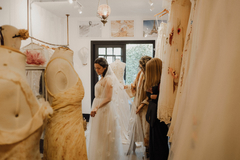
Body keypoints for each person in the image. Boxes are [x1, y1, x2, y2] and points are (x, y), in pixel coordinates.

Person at [88, 57, 124, 160]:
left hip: (104, 109)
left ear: (104, 68)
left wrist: (96, 107)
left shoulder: (108, 79)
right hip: (98, 108)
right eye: (95, 68)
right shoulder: (102, 78)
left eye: (99, 68)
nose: (97, 70)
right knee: (98, 134)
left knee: (104, 135)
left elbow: (109, 98)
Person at [124, 56, 152, 157]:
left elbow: (150, 95)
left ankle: (147, 150)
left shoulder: (150, 77)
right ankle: (132, 146)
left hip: (145, 106)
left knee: (146, 128)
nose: (140, 69)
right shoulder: (140, 74)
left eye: (142, 67)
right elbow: (134, 86)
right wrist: (127, 87)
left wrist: (142, 105)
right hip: (137, 103)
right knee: (135, 125)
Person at [145, 58, 169, 160]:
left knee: (159, 142)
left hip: (159, 116)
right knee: (155, 142)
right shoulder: (158, 84)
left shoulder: (162, 84)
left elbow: (164, 98)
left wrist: (153, 96)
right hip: (155, 115)